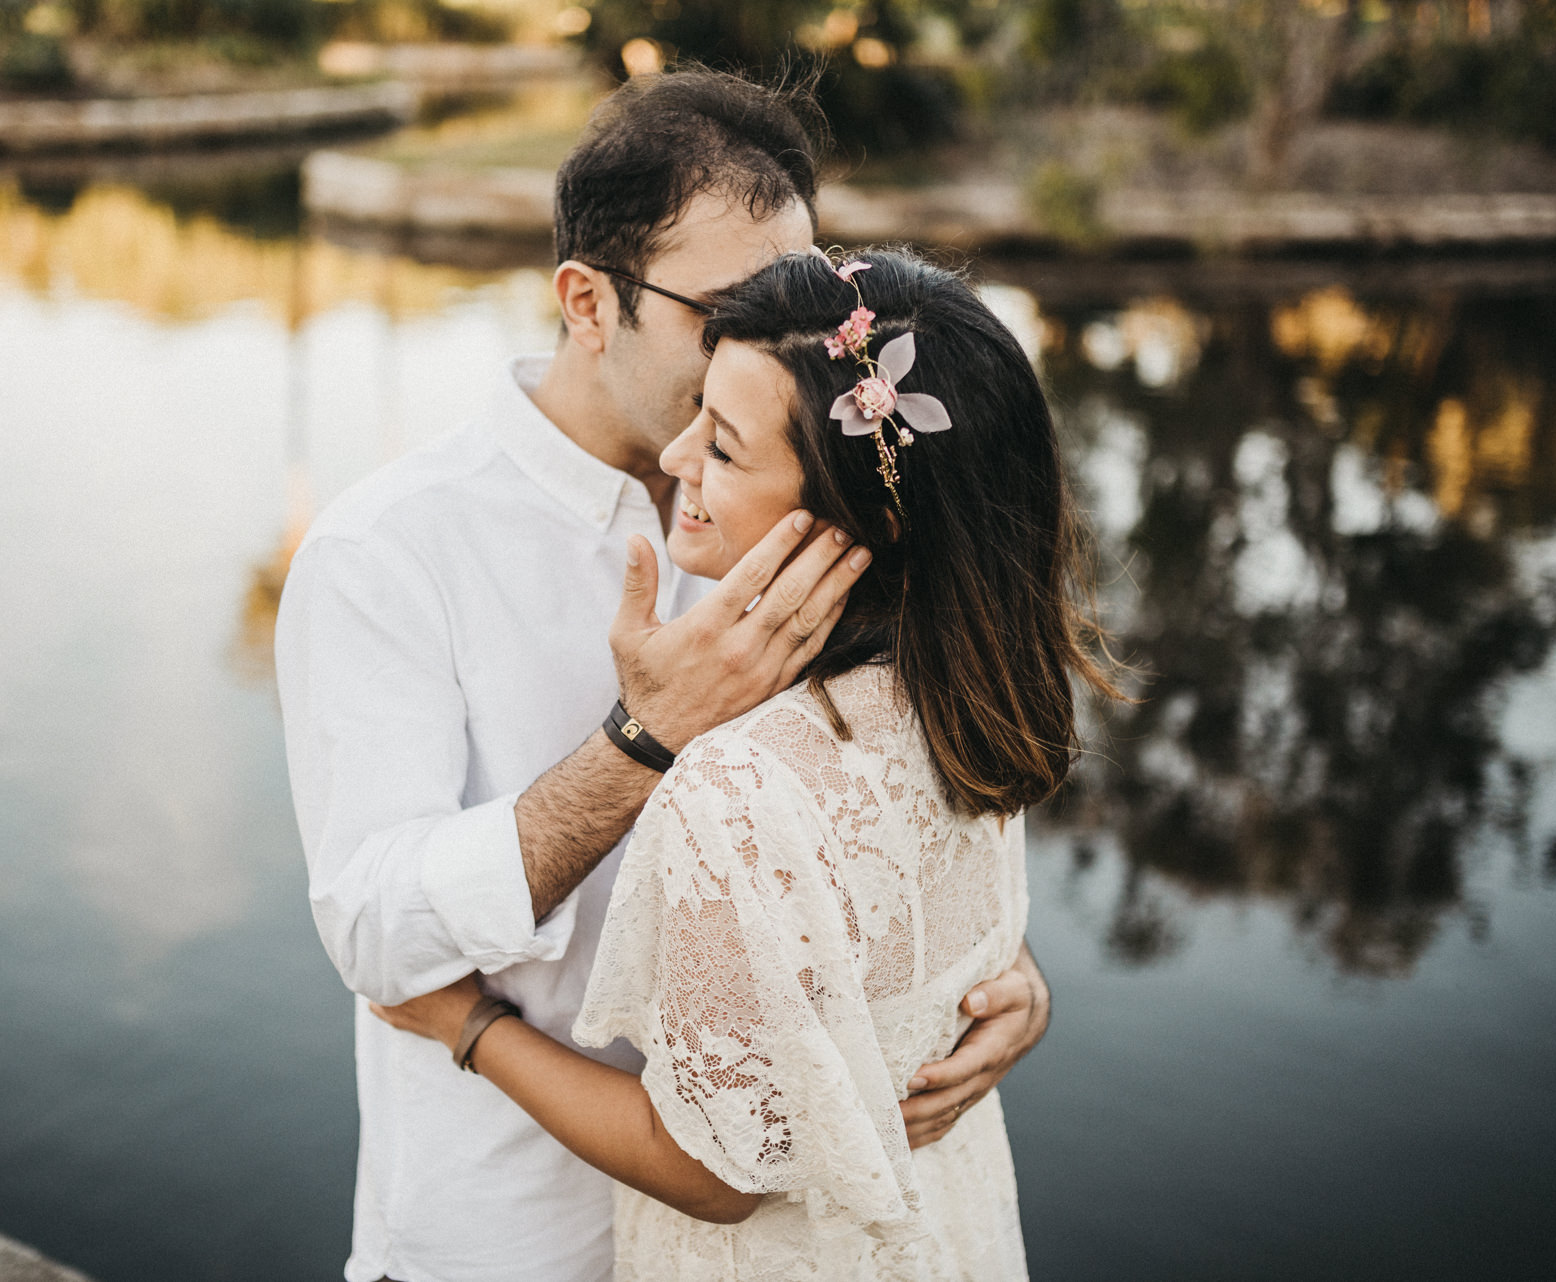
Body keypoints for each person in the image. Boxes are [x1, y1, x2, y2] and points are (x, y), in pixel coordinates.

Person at [276, 71, 1051, 1282]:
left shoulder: (810, 489)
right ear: (588, 301)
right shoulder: (389, 552)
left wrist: (990, 976)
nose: (777, 339)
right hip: (519, 1230)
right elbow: (374, 930)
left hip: (801, 1222)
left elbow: (914, 779)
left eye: (796, 290)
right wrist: (639, 745)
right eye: (728, 305)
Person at [372, 247, 1120, 1279]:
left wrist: (467, 1022)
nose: (676, 457)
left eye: (722, 447)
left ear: (869, 516)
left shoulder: (734, 788)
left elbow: (719, 1177)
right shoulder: (974, 688)